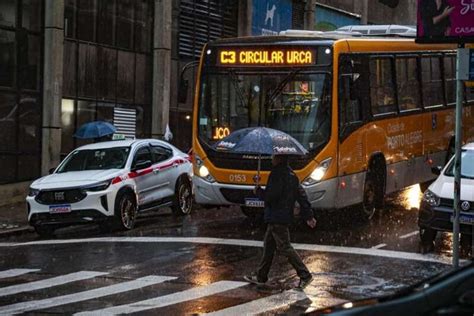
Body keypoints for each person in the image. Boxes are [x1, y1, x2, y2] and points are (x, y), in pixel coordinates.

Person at [244, 154, 317, 289]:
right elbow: (301, 195)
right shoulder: (292, 175)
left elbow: (271, 197)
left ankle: (305, 275)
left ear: (279, 159)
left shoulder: (276, 175)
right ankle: (261, 276)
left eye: (273, 157)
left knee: (285, 247)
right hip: (283, 215)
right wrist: (309, 216)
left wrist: (259, 191)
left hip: (276, 216)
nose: (271, 159)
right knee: (269, 247)